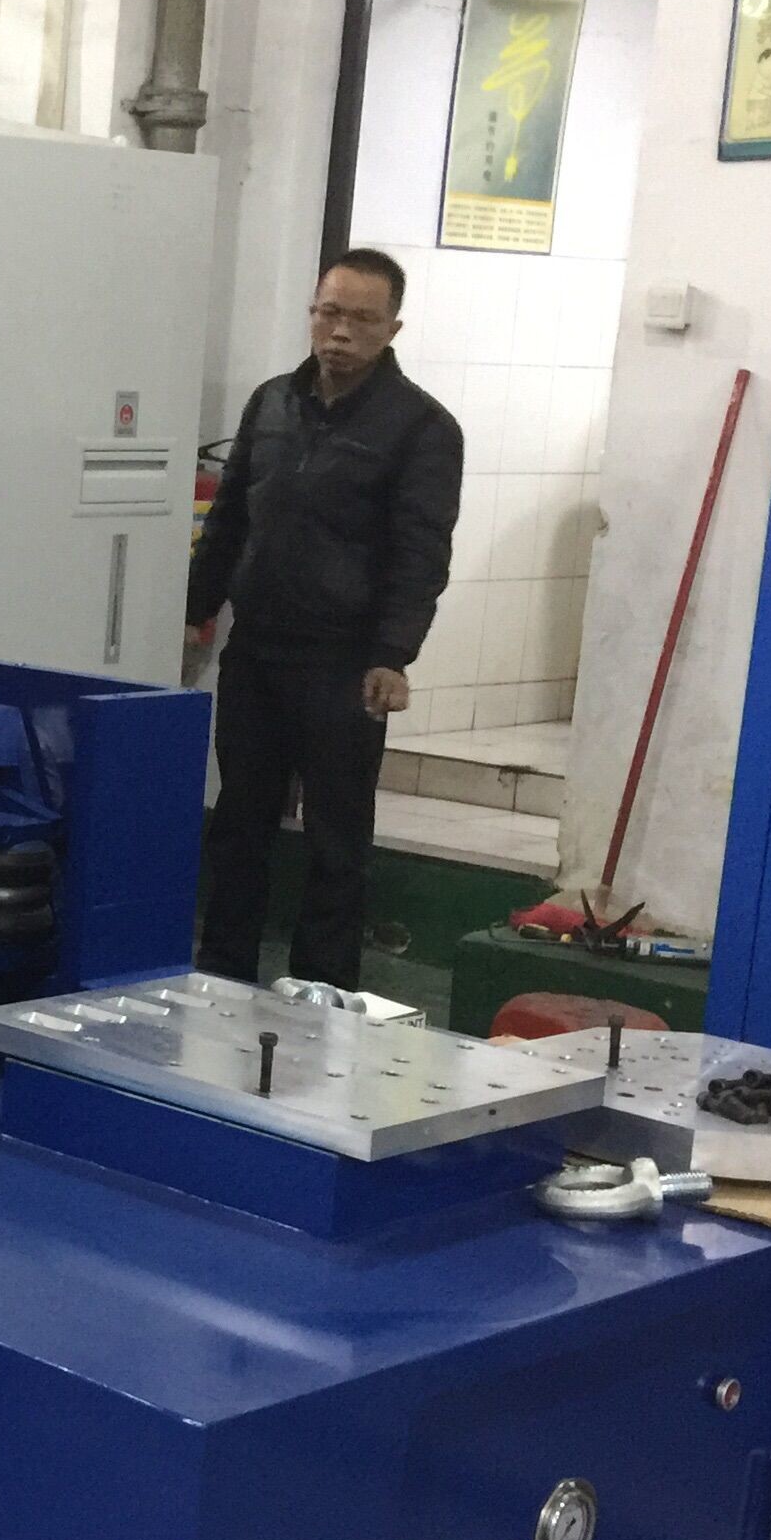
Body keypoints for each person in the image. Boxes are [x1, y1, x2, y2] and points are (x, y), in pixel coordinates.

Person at [185, 246, 463, 991]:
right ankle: (222, 976)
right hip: (257, 652)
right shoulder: (272, 402)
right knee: (239, 820)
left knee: (336, 838)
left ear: (392, 328)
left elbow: (421, 554)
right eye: (329, 313)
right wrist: (195, 611)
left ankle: (324, 991)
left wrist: (393, 655)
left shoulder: (423, 428)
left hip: (345, 663)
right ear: (312, 312)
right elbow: (230, 518)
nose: (340, 332)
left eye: (361, 319)